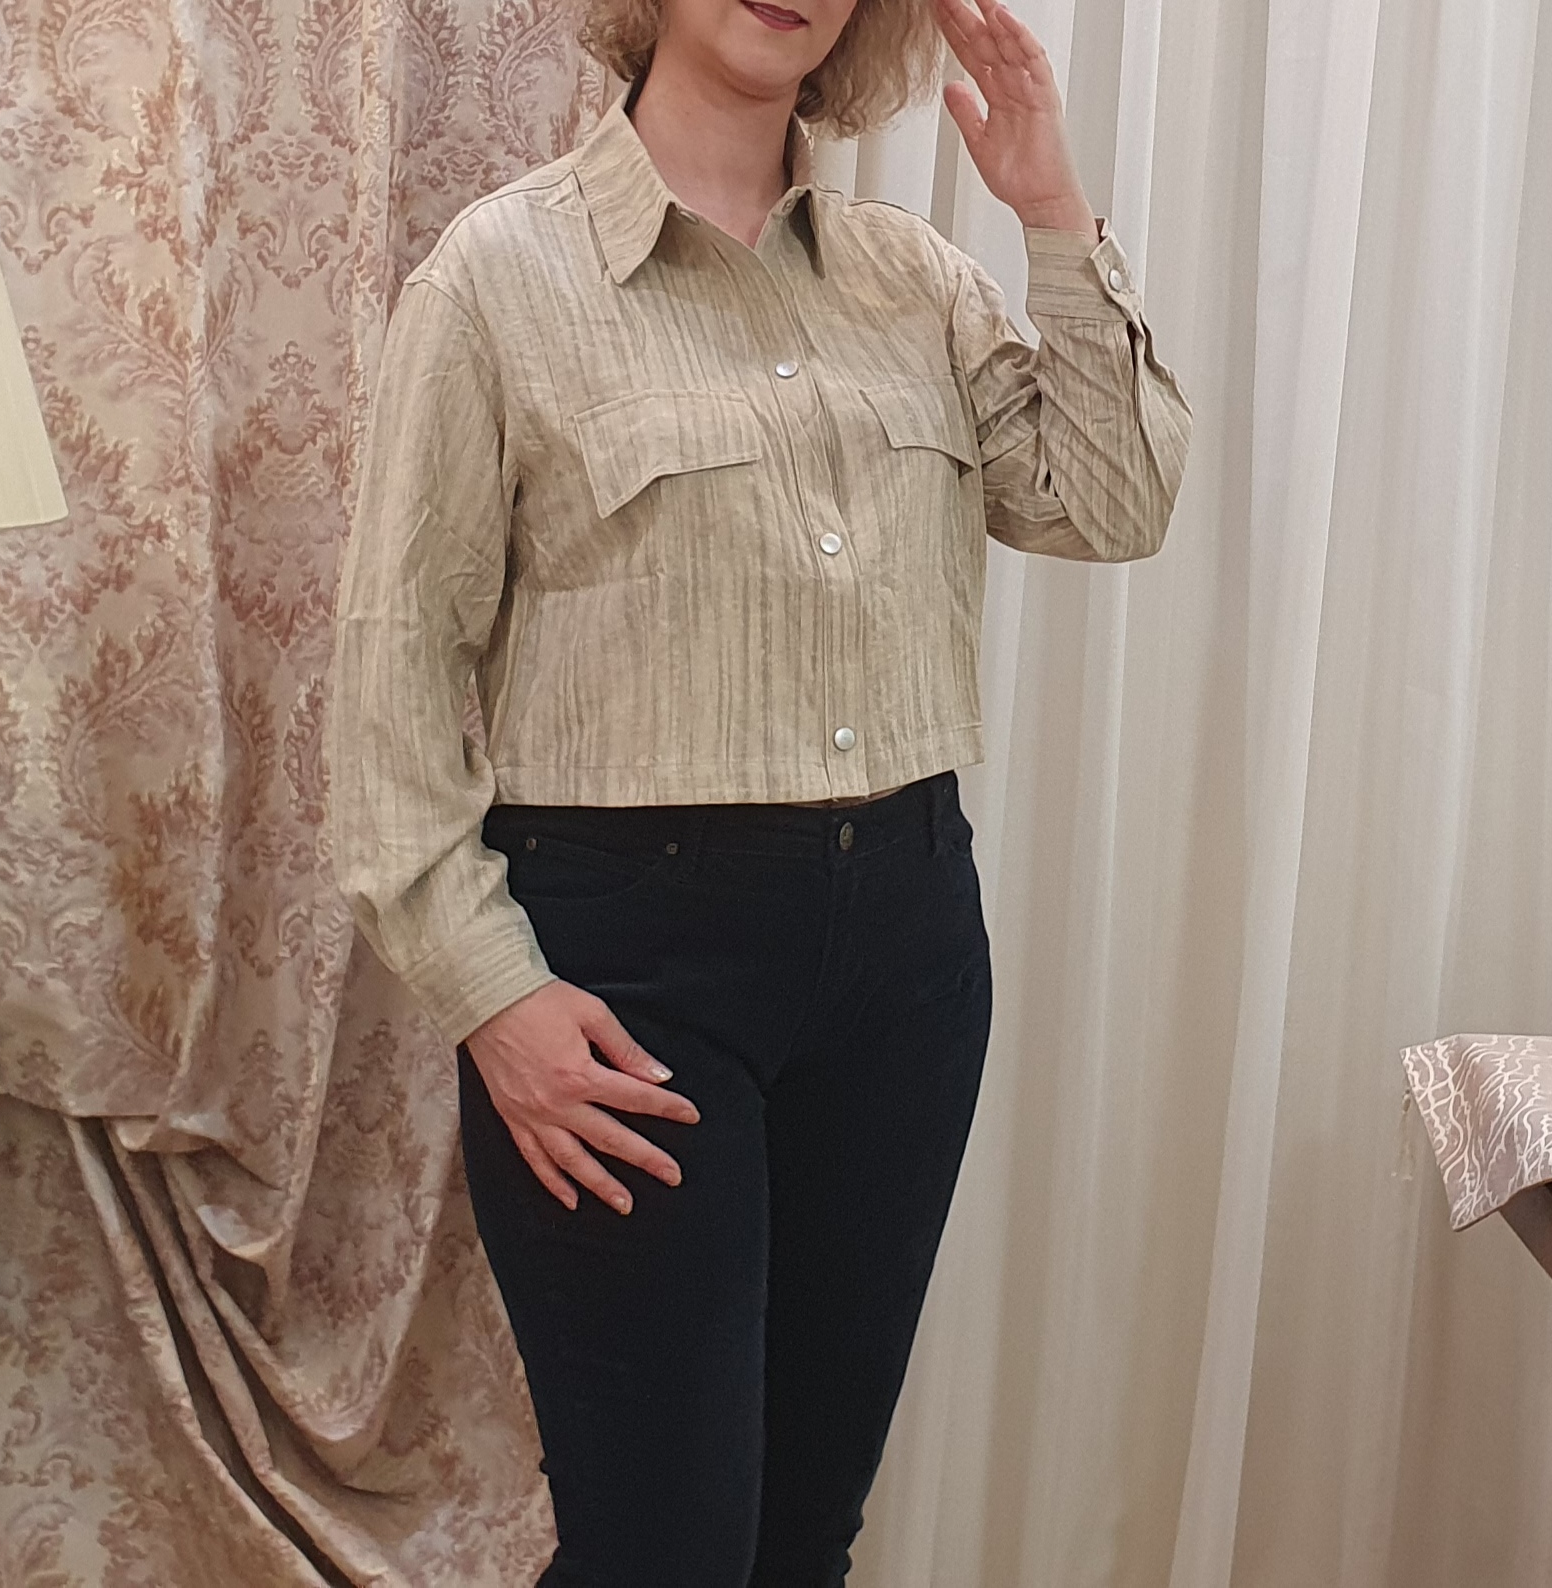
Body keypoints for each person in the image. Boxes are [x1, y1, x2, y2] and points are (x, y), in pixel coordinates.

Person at [328, 0, 1190, 1576]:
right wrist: (491, 996)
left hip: (907, 971)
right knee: (663, 1548)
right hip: (632, 981)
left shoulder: (917, 281)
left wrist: (1054, 208)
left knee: (803, 1539)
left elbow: (1114, 503)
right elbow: (389, 687)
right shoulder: (497, 279)